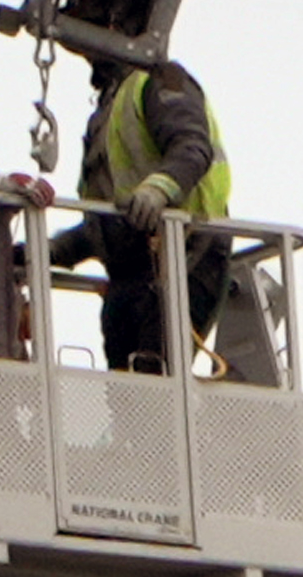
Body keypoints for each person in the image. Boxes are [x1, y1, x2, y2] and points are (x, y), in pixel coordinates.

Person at [55, 51, 236, 377]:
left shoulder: (162, 80)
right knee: (124, 385)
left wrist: (158, 191)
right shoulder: (107, 113)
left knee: (155, 375)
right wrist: (56, 249)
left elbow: (192, 147)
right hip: (132, 268)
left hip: (184, 257)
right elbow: (107, 217)